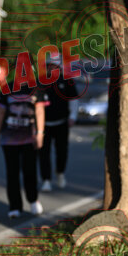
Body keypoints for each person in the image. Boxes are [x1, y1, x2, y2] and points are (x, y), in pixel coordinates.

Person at [0, 78, 48, 218]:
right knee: (12, 172)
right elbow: (1, 113)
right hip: (9, 138)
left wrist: (40, 133)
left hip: (29, 137)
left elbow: (40, 110)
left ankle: (33, 200)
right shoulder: (7, 88)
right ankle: (14, 206)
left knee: (30, 170)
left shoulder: (36, 88)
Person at [39, 54, 78, 192]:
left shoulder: (67, 81)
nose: (51, 68)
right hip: (43, 124)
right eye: (49, 66)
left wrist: (73, 116)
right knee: (43, 152)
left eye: (54, 66)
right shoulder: (40, 82)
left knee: (62, 150)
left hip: (62, 122)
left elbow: (73, 99)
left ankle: (60, 172)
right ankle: (46, 179)